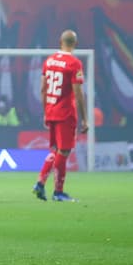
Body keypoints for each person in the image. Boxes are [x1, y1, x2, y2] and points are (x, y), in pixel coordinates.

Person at [33, 30, 87, 202]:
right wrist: (85, 118)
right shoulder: (74, 63)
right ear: (76, 44)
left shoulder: (48, 61)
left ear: (60, 42)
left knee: (56, 150)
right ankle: (58, 192)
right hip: (65, 113)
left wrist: (45, 111)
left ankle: (40, 183)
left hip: (51, 111)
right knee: (64, 151)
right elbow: (78, 93)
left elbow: (42, 89)